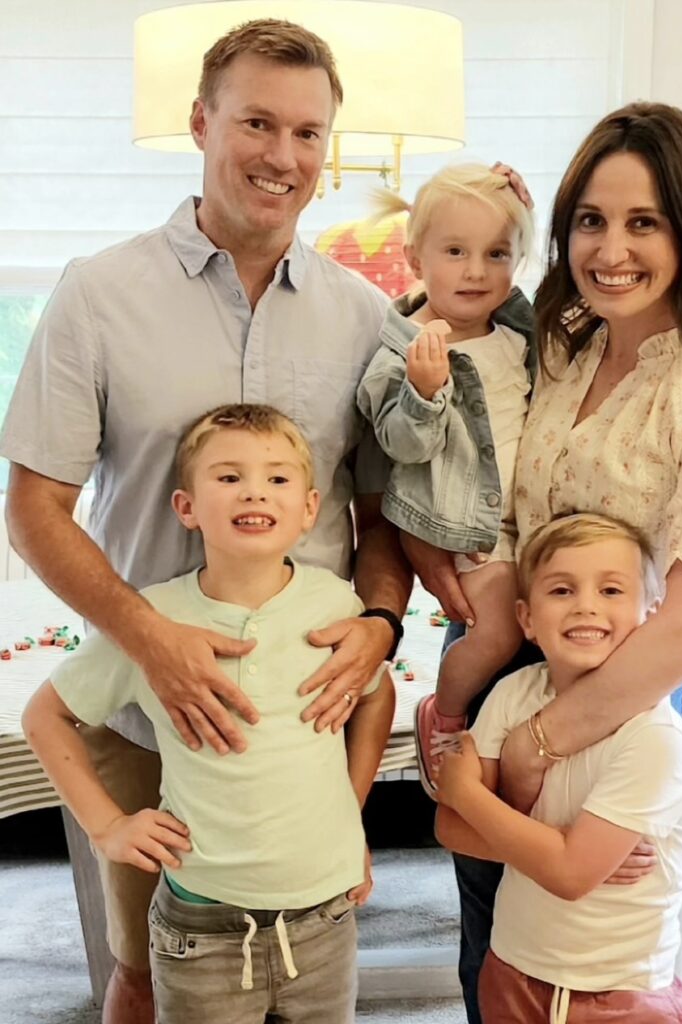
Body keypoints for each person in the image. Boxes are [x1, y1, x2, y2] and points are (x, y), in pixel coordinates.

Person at [0, 20, 414, 1024]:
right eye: (258, 123)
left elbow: (385, 513)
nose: (284, 157)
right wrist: (152, 642)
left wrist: (379, 627)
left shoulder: (366, 315)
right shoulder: (98, 295)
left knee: (306, 964)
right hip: (143, 715)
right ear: (201, 122)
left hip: (300, 723)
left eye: (309, 133)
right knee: (148, 971)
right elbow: (33, 509)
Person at [403, 101, 682, 1023]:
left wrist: (542, 741)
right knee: (493, 942)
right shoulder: (561, 345)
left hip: (618, 698)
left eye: (642, 222)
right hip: (504, 663)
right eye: (590, 221)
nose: (610, 250)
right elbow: (438, 315)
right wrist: (484, 219)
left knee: (595, 962)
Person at [23, 403, 395, 1024]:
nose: (254, 490)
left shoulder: (337, 604)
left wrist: (348, 817)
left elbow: (375, 694)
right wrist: (107, 826)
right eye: (229, 476)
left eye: (277, 478)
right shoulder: (152, 622)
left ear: (309, 509)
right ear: (187, 507)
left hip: (326, 917)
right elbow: (46, 717)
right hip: (201, 928)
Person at [435, 513, 682, 1024]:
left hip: (619, 993)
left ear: (651, 614)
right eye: (561, 590)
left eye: (612, 590)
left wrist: (466, 792)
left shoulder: (653, 736)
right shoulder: (514, 695)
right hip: (512, 968)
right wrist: (558, 847)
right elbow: (450, 829)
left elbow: (571, 875)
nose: (586, 606)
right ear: (526, 618)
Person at [357, 164, 535, 797]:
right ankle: (447, 713)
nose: (476, 271)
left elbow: (557, 306)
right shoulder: (402, 349)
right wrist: (423, 394)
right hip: (466, 528)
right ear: (414, 256)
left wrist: (523, 210)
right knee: (498, 631)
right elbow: (396, 445)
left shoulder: (516, 334)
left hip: (532, 523)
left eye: (497, 254)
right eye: (455, 252)